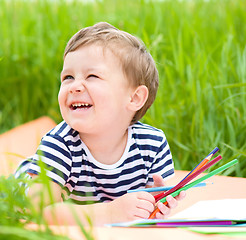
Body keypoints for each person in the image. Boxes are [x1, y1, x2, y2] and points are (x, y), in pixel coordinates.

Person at [15, 22, 185, 226]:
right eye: (68, 77)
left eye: (92, 76)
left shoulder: (152, 144)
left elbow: (146, 210)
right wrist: (110, 213)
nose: (75, 86)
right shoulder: (60, 144)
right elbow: (36, 210)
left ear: (134, 98)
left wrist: (159, 204)